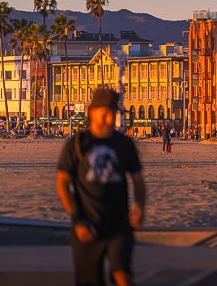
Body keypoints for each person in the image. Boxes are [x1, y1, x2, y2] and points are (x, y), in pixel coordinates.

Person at [56, 88, 147, 286]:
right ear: (91, 112)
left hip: (119, 225)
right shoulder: (78, 144)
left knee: (122, 274)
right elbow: (62, 182)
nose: (109, 119)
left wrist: (139, 205)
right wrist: (77, 219)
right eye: (105, 113)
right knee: (90, 281)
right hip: (87, 226)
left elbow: (138, 180)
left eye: (113, 114)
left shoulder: (124, 144)